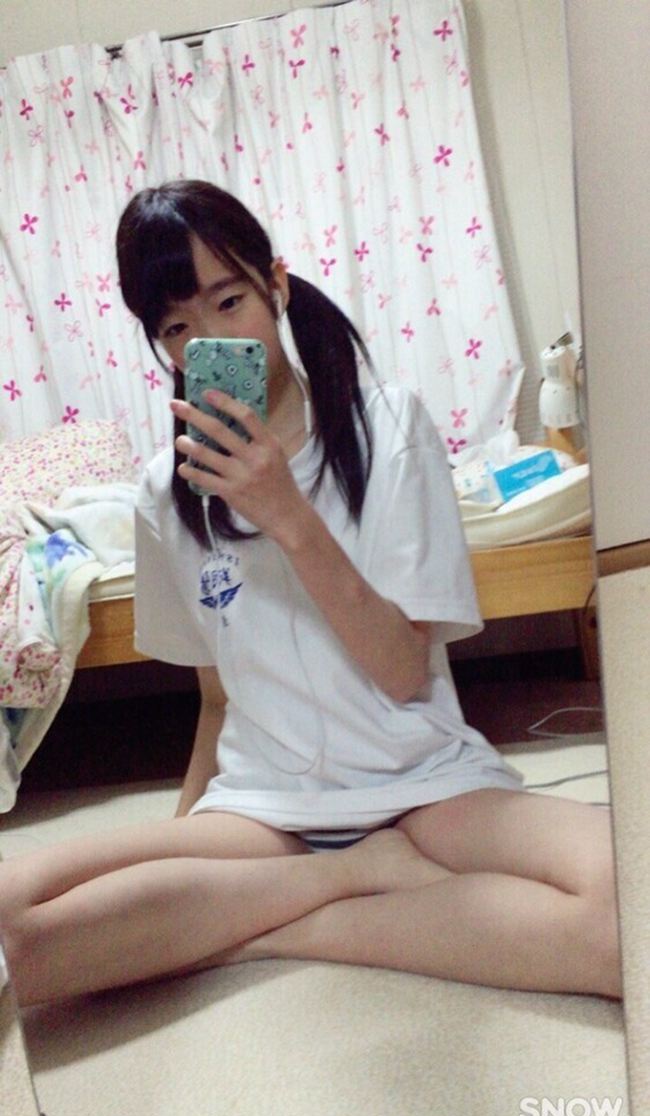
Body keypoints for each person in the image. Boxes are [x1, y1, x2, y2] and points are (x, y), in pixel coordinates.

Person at [0, 180, 620, 1006]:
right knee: (16, 922)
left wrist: (287, 513)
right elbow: (216, 698)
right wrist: (181, 847)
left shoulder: (389, 428)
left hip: (424, 783)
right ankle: (355, 875)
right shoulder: (165, 493)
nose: (212, 338)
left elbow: (403, 670)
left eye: (230, 301)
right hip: (265, 807)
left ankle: (278, 925)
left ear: (277, 284)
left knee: (626, 913)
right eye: (177, 327)